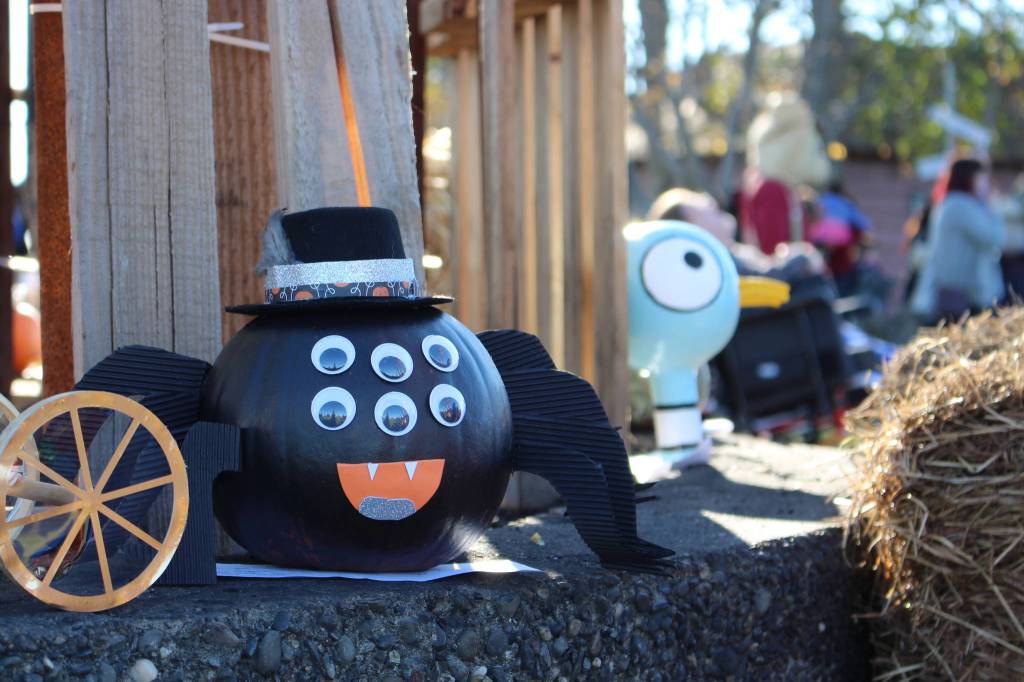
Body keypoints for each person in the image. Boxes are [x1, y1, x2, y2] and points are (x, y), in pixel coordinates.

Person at [910, 159, 1004, 322]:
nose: (986, 185)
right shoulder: (961, 206)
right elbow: (994, 239)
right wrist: (994, 208)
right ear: (969, 179)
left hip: (951, 292)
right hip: (959, 295)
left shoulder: (951, 203)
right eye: (982, 179)